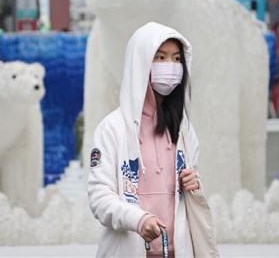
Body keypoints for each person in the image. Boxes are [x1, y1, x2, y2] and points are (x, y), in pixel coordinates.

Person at [88, 22, 215, 257]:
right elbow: (99, 196)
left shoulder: (183, 128)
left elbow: (185, 191)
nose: (172, 66)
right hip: (129, 250)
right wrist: (139, 220)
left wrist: (194, 185)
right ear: (141, 62)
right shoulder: (112, 128)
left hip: (178, 251)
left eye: (177, 59)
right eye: (161, 57)